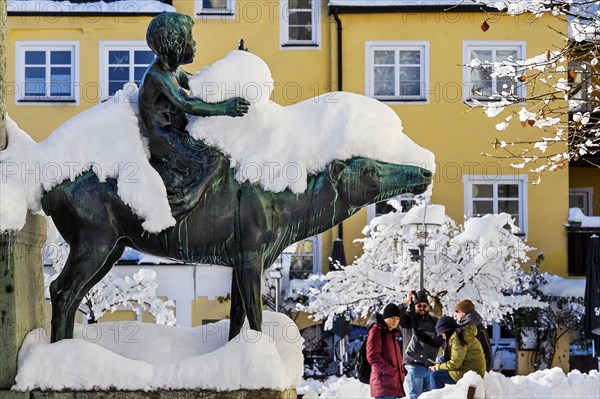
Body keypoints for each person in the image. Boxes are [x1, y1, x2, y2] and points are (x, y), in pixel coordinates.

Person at [138, 13, 250, 216]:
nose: (195, 43)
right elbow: (188, 104)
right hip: (163, 137)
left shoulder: (172, 71)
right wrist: (226, 108)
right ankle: (185, 201)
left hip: (173, 131)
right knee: (215, 161)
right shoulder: (159, 76)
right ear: (175, 46)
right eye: (190, 38)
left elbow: (199, 83)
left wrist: (239, 66)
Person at [398, 290, 443, 399]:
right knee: (416, 396)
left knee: (429, 396)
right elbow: (396, 314)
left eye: (424, 305)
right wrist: (407, 301)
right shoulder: (407, 320)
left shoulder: (433, 321)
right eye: (419, 305)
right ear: (414, 306)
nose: (422, 308)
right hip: (413, 364)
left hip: (429, 366)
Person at [429, 316, 486, 390]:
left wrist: (438, 367)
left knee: (435, 376)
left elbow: (455, 364)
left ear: (447, 331)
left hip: (470, 372)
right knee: (440, 360)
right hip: (473, 369)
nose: (443, 337)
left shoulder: (457, 338)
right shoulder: (462, 334)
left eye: (442, 334)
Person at [366, 303, 406, 399]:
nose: (395, 321)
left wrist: (401, 370)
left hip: (391, 382)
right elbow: (373, 356)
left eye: (397, 318)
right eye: (392, 317)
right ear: (385, 317)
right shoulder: (377, 331)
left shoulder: (391, 334)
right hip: (383, 382)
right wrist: (391, 370)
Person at [455, 299, 493, 372]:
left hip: (474, 367)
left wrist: (487, 368)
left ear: (463, 312)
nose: (456, 314)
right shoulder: (467, 325)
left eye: (457, 311)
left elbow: (486, 347)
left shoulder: (473, 326)